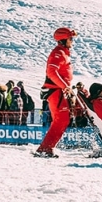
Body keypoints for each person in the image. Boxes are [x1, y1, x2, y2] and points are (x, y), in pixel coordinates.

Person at [34, 27, 77, 158]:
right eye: (70, 39)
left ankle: (47, 148)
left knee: (61, 120)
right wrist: (65, 86)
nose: (72, 41)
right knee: (61, 120)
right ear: (63, 40)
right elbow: (52, 72)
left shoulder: (63, 53)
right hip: (56, 90)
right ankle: (45, 149)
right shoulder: (58, 53)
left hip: (59, 90)